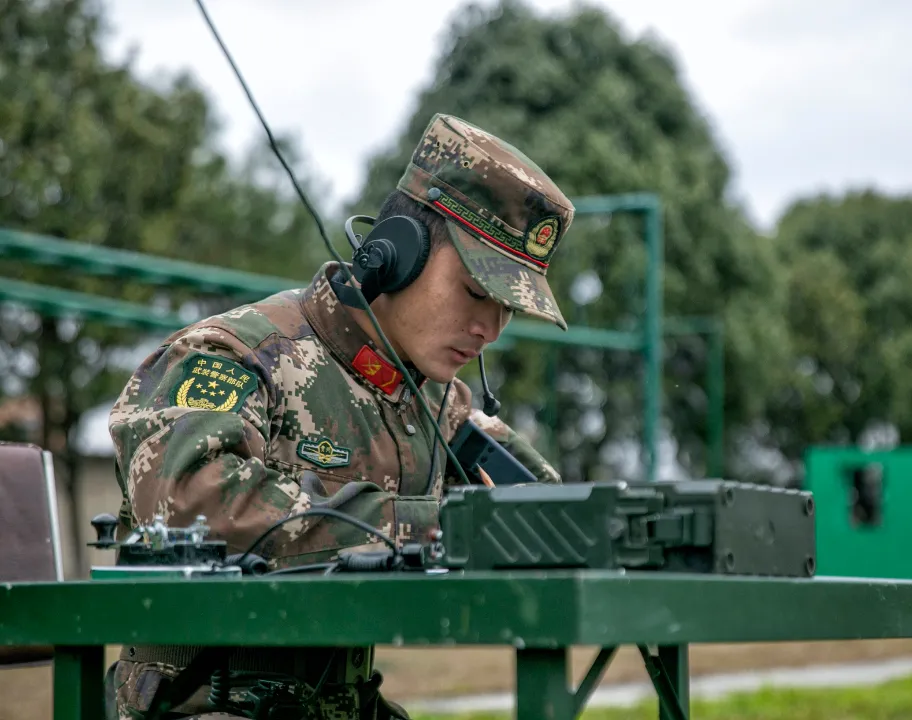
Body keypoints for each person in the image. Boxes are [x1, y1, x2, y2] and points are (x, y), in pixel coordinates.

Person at [104, 113, 576, 720]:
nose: (490, 328)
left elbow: (545, 508)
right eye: (477, 292)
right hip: (206, 706)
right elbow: (188, 500)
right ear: (399, 252)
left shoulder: (434, 401)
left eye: (508, 308)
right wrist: (430, 530)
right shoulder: (233, 356)